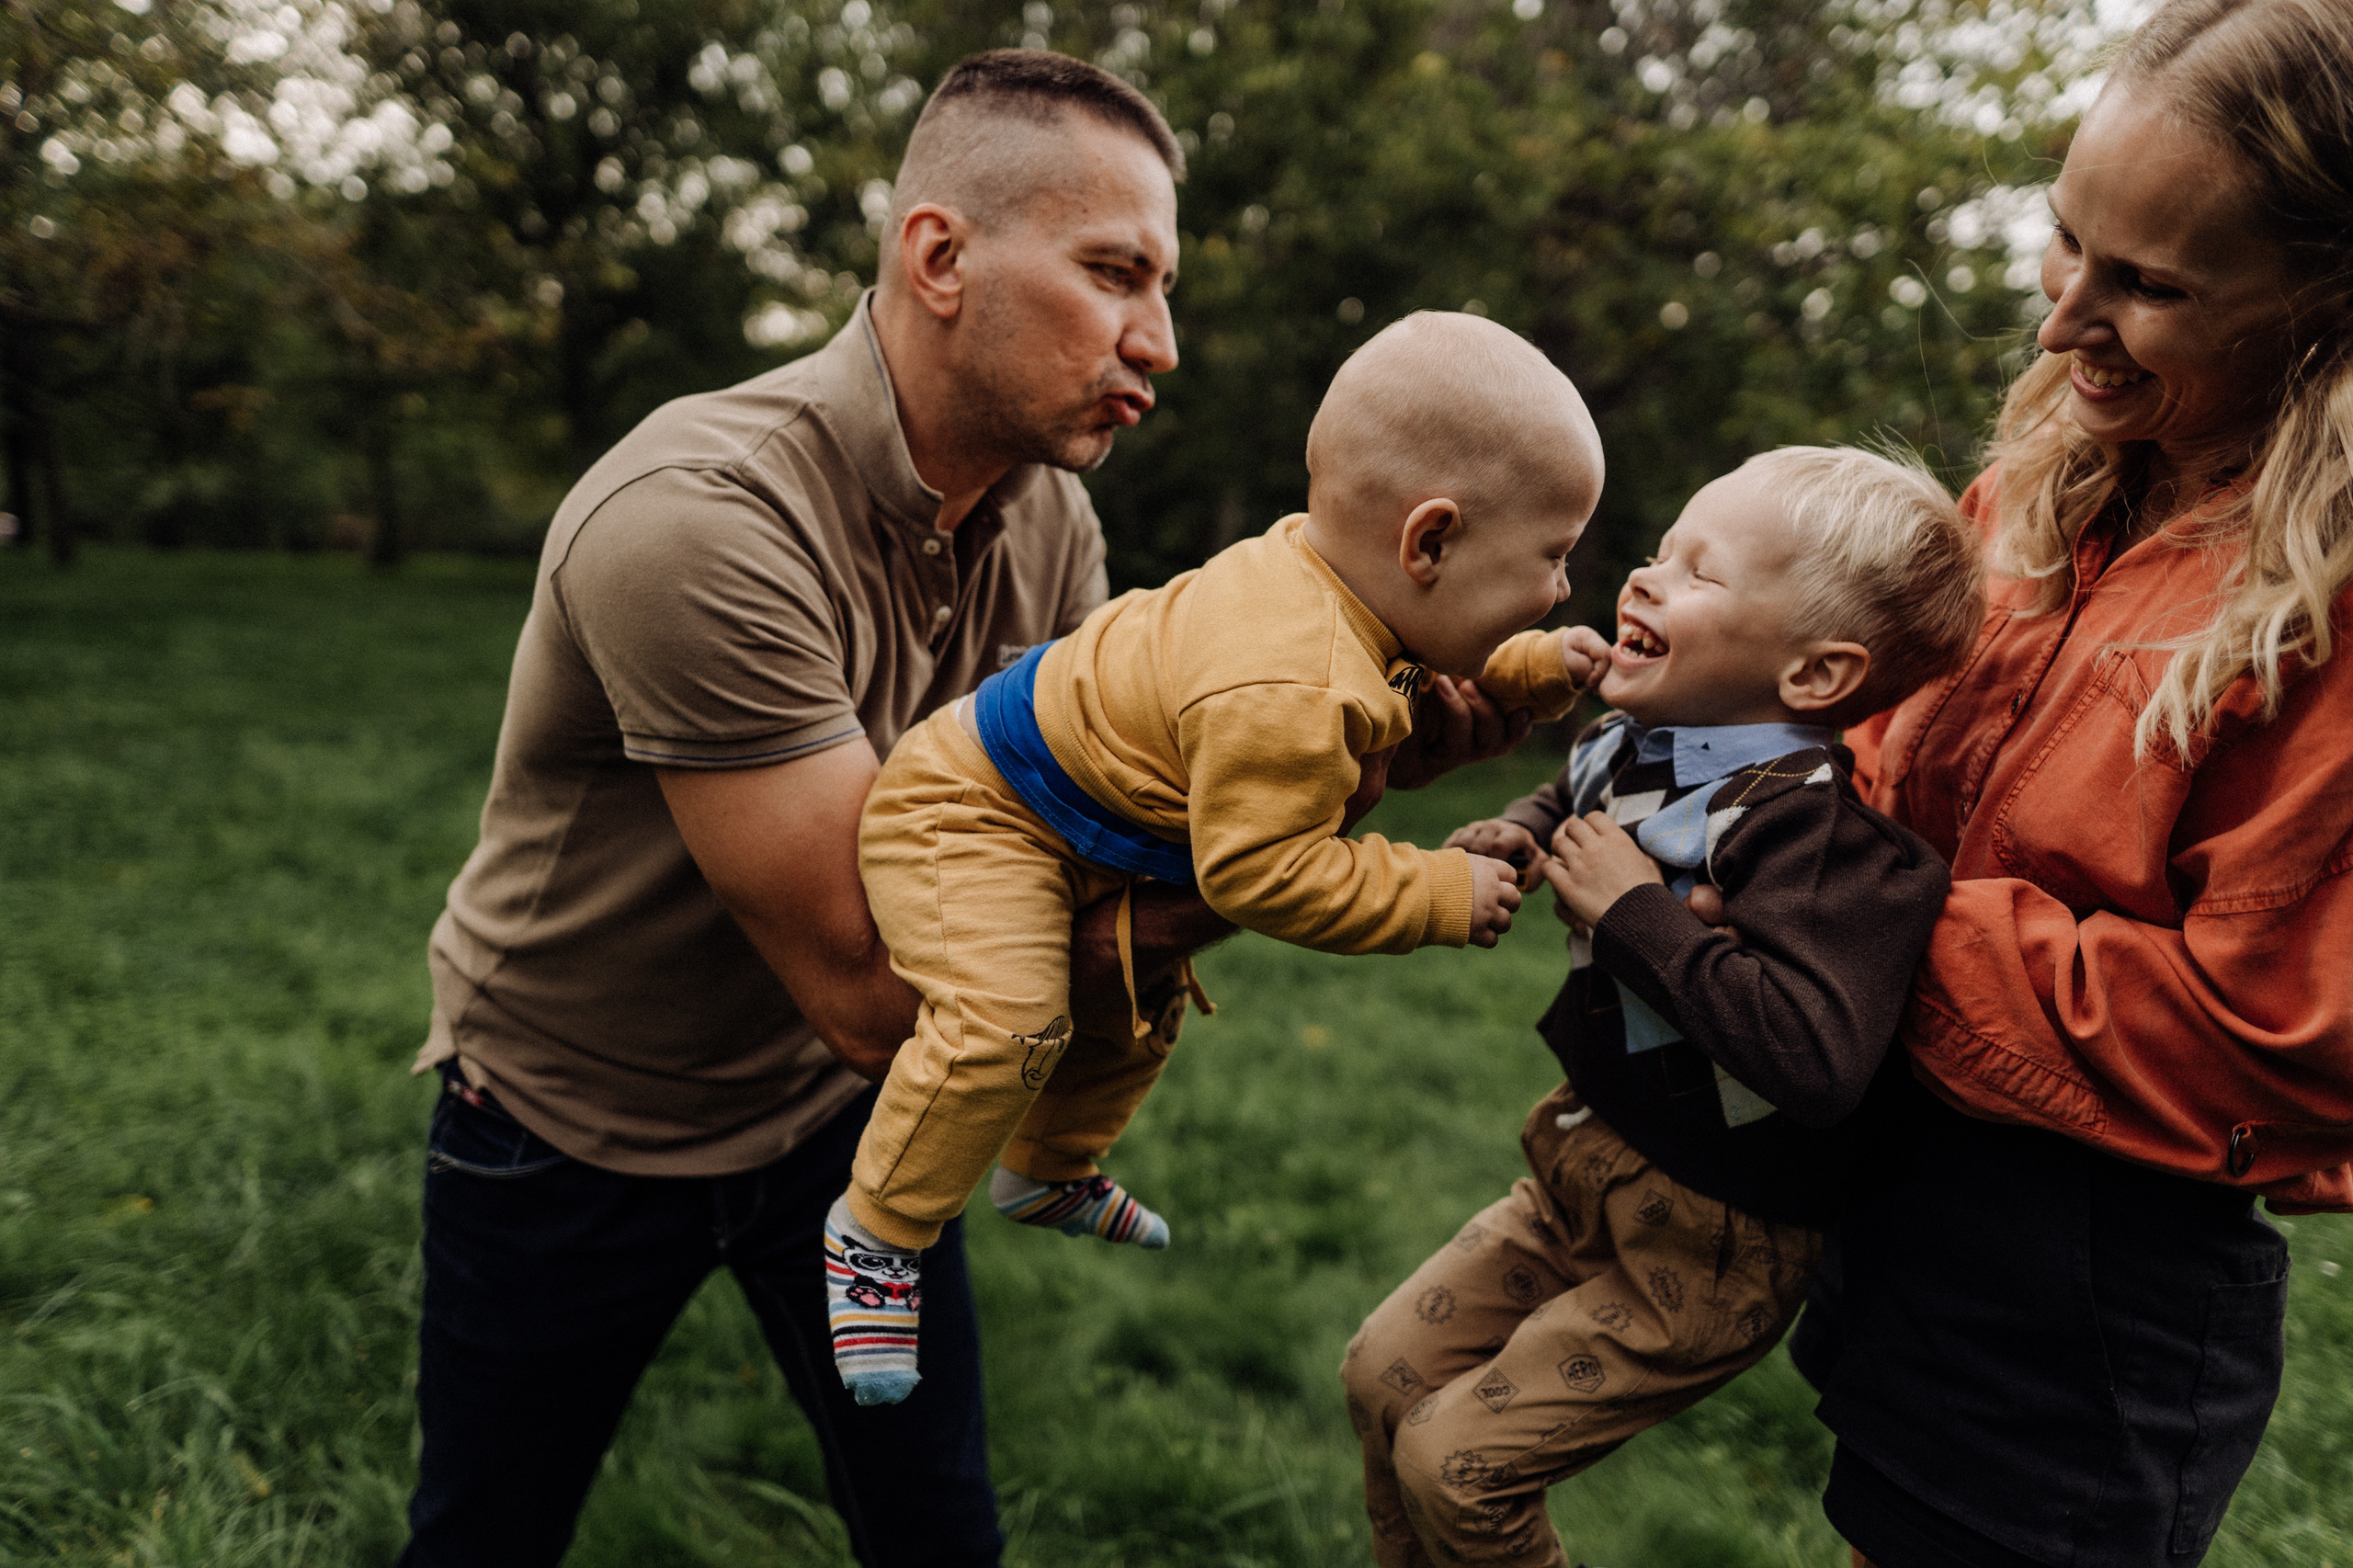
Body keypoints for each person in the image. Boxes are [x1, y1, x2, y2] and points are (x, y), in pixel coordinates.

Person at [395, 51, 1205, 1568]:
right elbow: (882, 986)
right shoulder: (694, 521)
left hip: (838, 1131)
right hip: (571, 1125)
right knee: (483, 1540)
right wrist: (1289, 856)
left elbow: (1086, 852)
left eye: (1162, 288)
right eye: (1117, 274)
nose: (1159, 340)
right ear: (940, 256)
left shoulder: (1054, 519)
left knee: (939, 1534)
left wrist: (1339, 763)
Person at [1782, 3, 2353, 1563]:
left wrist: (1862, 913)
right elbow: (1883, 757)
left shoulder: (2327, 607)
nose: (2061, 322)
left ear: (2324, 305)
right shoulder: (2039, 492)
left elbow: (2283, 1038)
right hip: (1899, 1196)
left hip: (2091, 1290)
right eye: (2066, 242)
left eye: (2149, 286)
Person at [824, 312, 1606, 1404]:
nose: (1565, 585)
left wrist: (1533, 666)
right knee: (1004, 1024)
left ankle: (1046, 1172)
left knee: (1146, 995)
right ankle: (876, 1235)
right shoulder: (1286, 683)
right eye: (1554, 559)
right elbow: (1257, 874)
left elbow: (1435, 658)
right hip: (975, 809)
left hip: (1087, 812)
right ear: (1427, 541)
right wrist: (1436, 887)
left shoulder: (1336, 575)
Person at [1341, 446, 1985, 1567]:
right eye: (1655, 553)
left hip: (1712, 1235)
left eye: (1699, 571)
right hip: (1579, 1162)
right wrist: (1519, 833)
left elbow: (1818, 1057)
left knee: (1459, 1464)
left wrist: (1641, 917)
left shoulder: (1832, 852)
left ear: (1816, 677)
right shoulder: (1624, 747)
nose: (1642, 578)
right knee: (1381, 1378)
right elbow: (1570, 797)